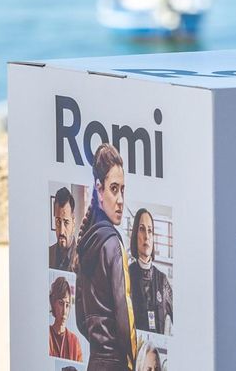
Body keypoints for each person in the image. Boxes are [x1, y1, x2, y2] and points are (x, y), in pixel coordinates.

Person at [75, 144, 136, 371]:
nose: (120, 199)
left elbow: (81, 318)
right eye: (113, 189)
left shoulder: (85, 243)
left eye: (122, 190)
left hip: (94, 363)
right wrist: (133, 358)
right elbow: (125, 316)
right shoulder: (113, 244)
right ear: (99, 190)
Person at [128, 207, 174, 335]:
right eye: (142, 229)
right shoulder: (126, 276)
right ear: (135, 235)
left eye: (150, 231)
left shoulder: (162, 280)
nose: (146, 236)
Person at [48, 275, 84, 360]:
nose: (64, 311)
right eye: (61, 303)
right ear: (53, 303)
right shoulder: (46, 334)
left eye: (67, 305)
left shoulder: (74, 341)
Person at [48, 186, 77, 272]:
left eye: (66, 222)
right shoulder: (48, 253)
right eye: (58, 222)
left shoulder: (83, 258)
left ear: (73, 223)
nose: (61, 231)